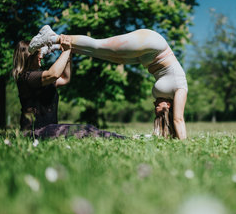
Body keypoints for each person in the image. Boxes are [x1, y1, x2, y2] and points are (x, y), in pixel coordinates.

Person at [29, 26, 188, 139]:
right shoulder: (180, 88)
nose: (155, 105)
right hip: (153, 45)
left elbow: (165, 130)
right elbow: (178, 119)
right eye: (158, 108)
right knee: (99, 46)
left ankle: (55, 46)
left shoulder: (167, 96)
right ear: (168, 106)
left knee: (100, 54)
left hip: (147, 54)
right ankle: (52, 36)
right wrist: (184, 144)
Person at [11, 38, 125, 139]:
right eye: (37, 54)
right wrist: (65, 51)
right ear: (28, 57)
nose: (41, 56)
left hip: (48, 129)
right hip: (33, 132)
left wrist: (68, 53)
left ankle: (121, 137)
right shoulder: (26, 77)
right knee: (82, 131)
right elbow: (54, 74)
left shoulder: (39, 78)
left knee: (87, 128)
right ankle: (120, 138)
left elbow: (65, 78)